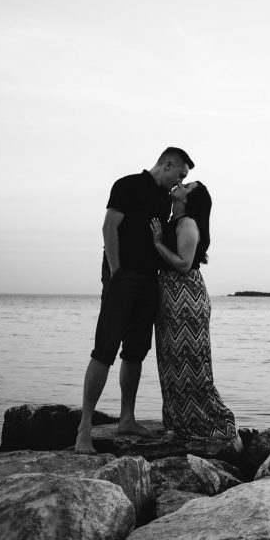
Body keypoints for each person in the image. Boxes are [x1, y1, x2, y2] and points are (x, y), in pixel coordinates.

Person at [75, 147, 194, 454]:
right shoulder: (126, 185)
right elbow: (109, 227)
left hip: (148, 280)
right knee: (105, 349)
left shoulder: (165, 199)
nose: (180, 180)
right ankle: (84, 429)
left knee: (136, 351)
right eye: (180, 174)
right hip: (122, 277)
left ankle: (127, 418)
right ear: (168, 163)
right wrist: (116, 272)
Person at [150, 180, 237, 438]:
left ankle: (205, 421)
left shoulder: (187, 223)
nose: (180, 184)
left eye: (186, 185)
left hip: (185, 295)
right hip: (169, 293)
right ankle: (177, 422)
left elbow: (184, 264)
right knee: (170, 358)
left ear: (190, 199)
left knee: (188, 359)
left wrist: (157, 243)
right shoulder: (171, 220)